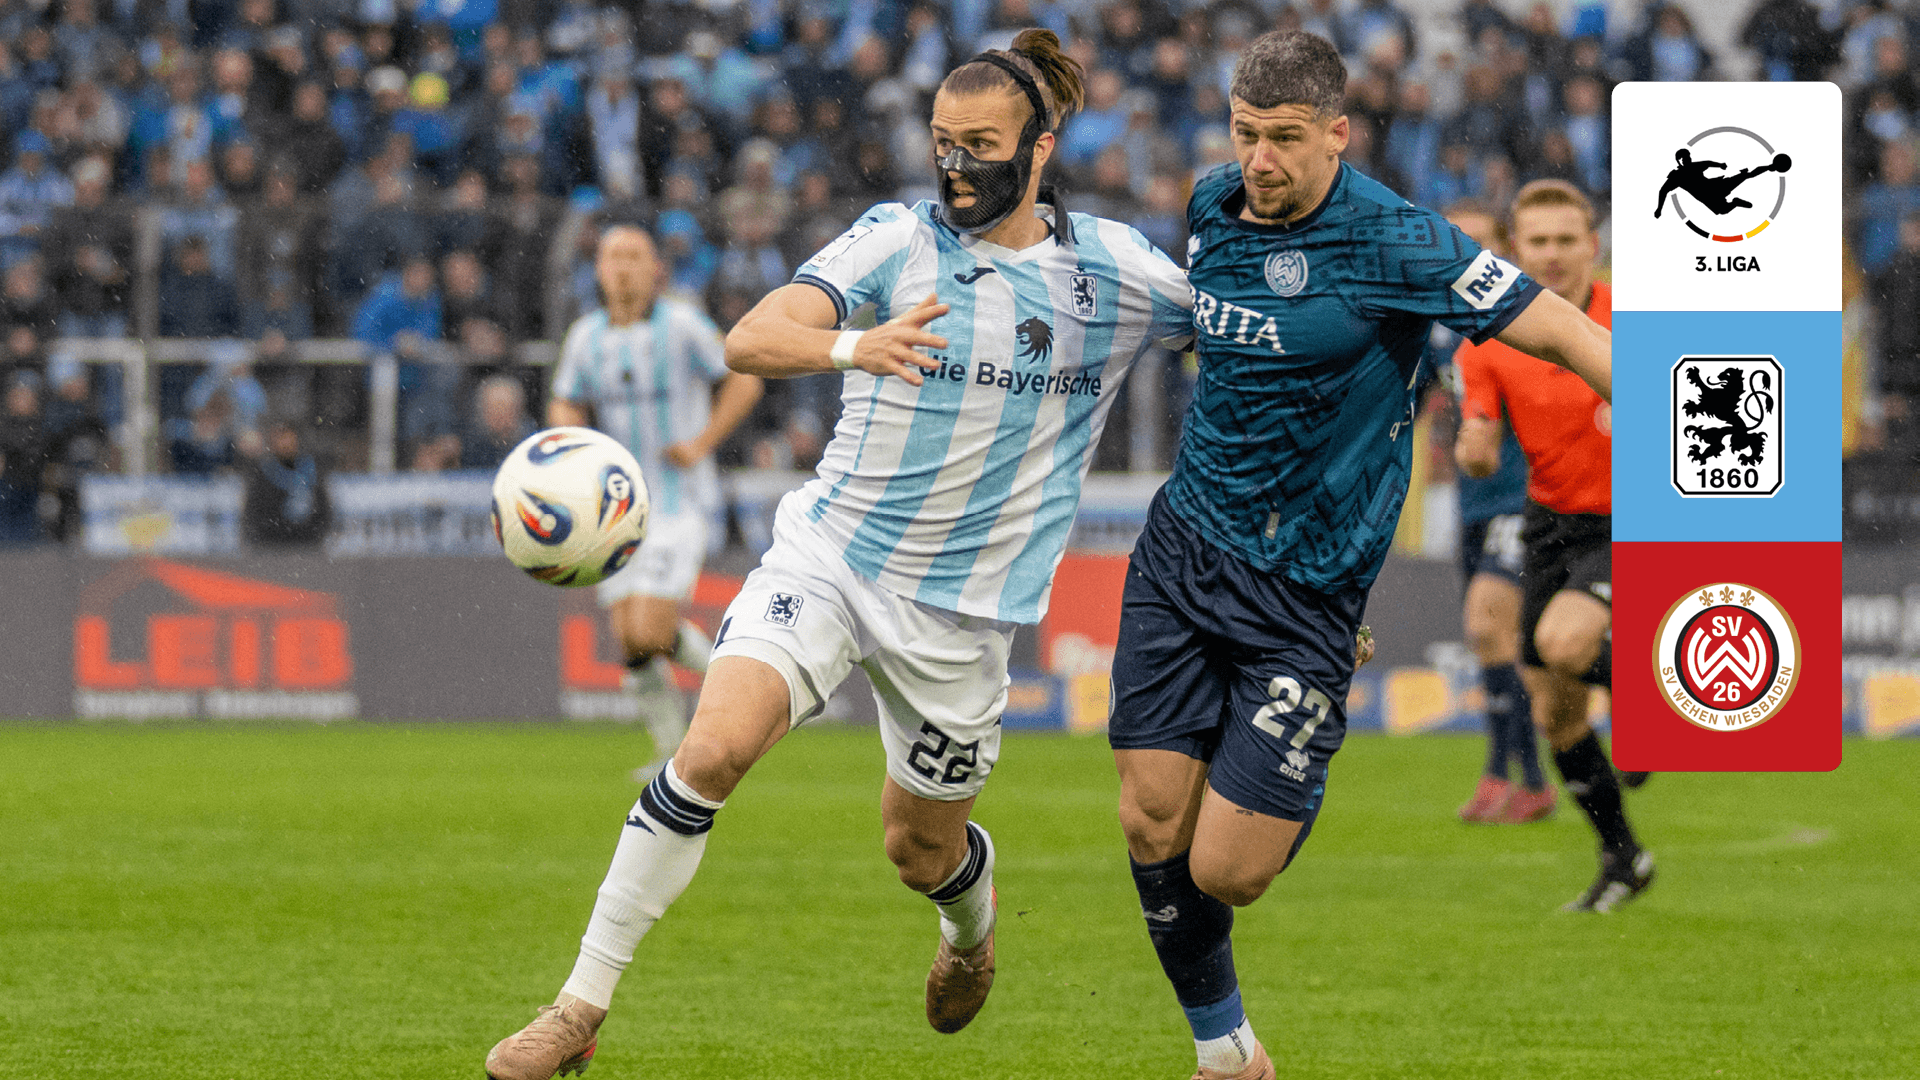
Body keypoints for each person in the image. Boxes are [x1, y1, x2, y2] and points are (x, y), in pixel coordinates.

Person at [485, 29, 1192, 1080]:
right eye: (943, 142)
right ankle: (577, 1008)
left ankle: (969, 929)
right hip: (832, 559)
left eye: (982, 144)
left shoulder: (1119, 271)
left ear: (1041, 148)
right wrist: (854, 344)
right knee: (711, 753)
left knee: (919, 848)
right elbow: (752, 336)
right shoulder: (896, 240)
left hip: (964, 614)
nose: (957, 166)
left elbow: (1246, 354)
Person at [1106, 32, 1611, 1080]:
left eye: (1285, 139)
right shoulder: (1211, 203)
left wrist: (1681, 407)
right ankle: (1226, 1052)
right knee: (1151, 818)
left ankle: (1304, 726)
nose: (1259, 161)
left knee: (1228, 871)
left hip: (1308, 595)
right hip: (1184, 552)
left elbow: (1559, 329)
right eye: (1245, 134)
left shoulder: (1401, 240)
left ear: (1338, 133)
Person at [1455, 178, 1652, 911]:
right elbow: (1478, 437)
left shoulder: (1634, 319)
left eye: (1567, 239)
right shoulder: (1491, 337)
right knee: (1557, 715)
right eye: (1538, 241)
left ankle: (1658, 692)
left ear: (1593, 246)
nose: (1554, 254)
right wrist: (1474, 448)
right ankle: (1624, 857)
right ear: (1516, 249)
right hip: (1550, 520)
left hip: (1633, 519)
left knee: (1564, 643)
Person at [545, 224, 764, 781]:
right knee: (630, 642)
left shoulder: (683, 325)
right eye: (612, 257)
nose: (622, 267)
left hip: (679, 502)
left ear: (655, 270)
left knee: (648, 630)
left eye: (634, 256)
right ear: (598, 270)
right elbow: (564, 402)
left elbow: (745, 381)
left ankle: (753, 693)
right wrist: (576, 445)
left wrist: (702, 443)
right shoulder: (586, 336)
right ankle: (670, 752)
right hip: (616, 511)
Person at [1438, 199, 1553, 825]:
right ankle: (1517, 779)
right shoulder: (1436, 326)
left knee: (1489, 627)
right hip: (1471, 501)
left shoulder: (1521, 319)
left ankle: (1513, 777)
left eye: (1480, 240)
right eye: (1456, 238)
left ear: (1503, 250)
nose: (1468, 250)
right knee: (1495, 643)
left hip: (1522, 498)